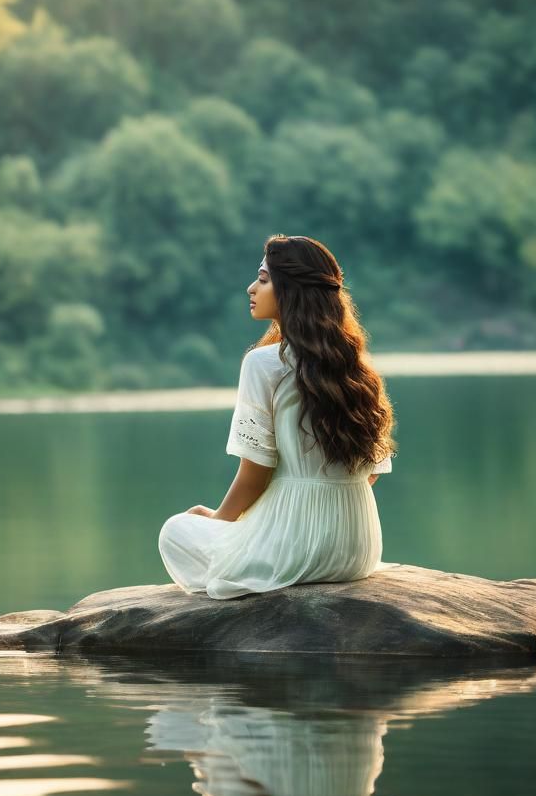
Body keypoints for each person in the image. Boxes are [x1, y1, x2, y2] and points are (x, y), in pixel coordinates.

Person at [158, 234, 396, 599]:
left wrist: (222, 520)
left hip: (294, 548)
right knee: (217, 530)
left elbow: (255, 474)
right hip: (358, 549)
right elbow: (373, 471)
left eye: (264, 279)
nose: (251, 287)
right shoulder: (358, 368)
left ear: (291, 290)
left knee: (177, 529)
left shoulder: (265, 363)